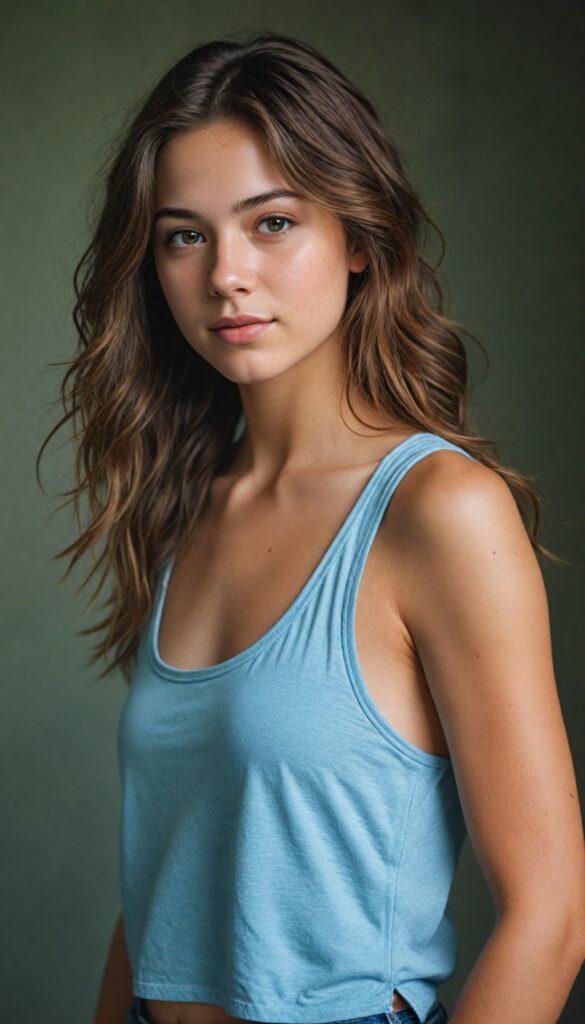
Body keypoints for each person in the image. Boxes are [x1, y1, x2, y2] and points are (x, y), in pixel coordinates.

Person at [37, 30, 584, 1024]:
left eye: (273, 222)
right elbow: (164, 889)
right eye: (184, 234)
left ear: (361, 240)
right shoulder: (187, 507)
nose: (227, 275)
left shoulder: (440, 511)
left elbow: (550, 917)